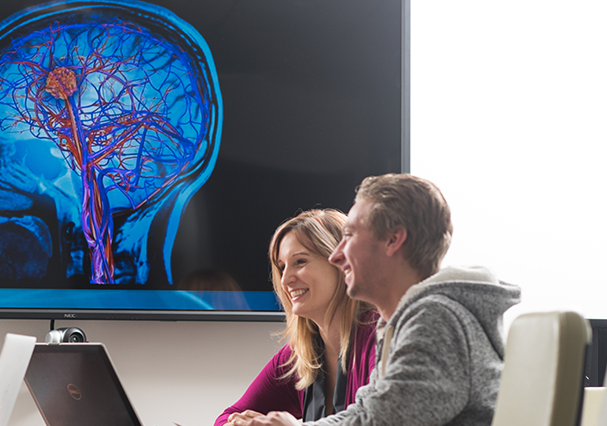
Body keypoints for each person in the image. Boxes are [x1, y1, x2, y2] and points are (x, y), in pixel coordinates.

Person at [233, 174, 521, 426]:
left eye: (350, 235)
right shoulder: (406, 322)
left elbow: (386, 421)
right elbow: (368, 412)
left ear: (394, 240)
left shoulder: (436, 319)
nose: (337, 255)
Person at [217, 210, 378, 426]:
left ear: (343, 263)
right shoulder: (299, 354)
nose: (286, 280)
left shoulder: (383, 338)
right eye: (282, 268)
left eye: (300, 261)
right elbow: (228, 417)